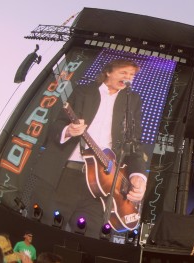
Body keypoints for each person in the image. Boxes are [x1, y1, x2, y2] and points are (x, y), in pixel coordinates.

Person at [31, 58, 148, 238]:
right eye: (123, 73)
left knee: (89, 241)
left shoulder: (132, 101)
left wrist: (138, 175)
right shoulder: (83, 91)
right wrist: (69, 130)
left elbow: (134, 143)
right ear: (108, 72)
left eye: (132, 75)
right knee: (45, 234)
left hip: (102, 186)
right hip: (66, 175)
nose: (129, 78)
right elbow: (54, 126)